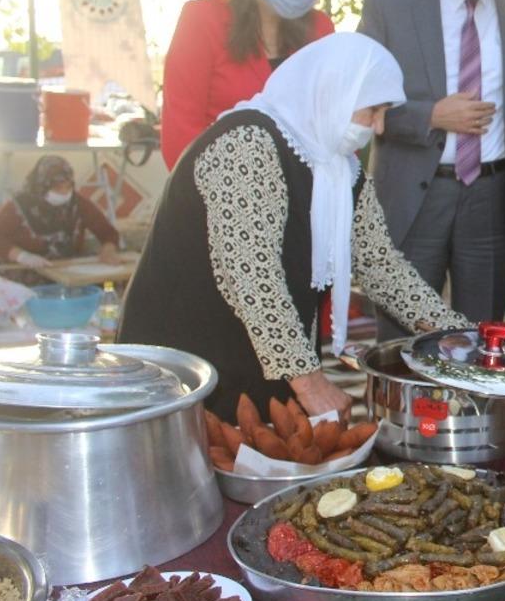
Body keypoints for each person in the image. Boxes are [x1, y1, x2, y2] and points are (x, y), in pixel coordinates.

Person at [118, 34, 471, 421]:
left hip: (267, 362)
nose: (380, 126)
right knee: (199, 453)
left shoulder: (341, 170)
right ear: (334, 91)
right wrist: (310, 383)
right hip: (184, 360)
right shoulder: (246, 143)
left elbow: (380, 264)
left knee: (264, 447)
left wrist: (459, 336)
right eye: (373, 110)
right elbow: (253, 275)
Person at [356, 0, 505, 341]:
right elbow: (360, 104)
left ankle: (472, 393)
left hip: (492, 199)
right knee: (403, 341)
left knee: (481, 339)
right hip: (414, 197)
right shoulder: (391, 5)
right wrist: (431, 116)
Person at [160, 0, 337, 170]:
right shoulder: (202, 20)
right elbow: (180, 138)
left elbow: (335, 129)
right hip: (216, 187)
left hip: (308, 191)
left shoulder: (321, 29)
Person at [0, 156, 121, 268]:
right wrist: (23, 257)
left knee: (108, 285)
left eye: (68, 187)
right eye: (57, 189)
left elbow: (108, 233)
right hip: (24, 268)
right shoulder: (20, 206)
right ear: (42, 186)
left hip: (66, 268)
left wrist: (108, 250)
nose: (64, 193)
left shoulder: (78, 204)